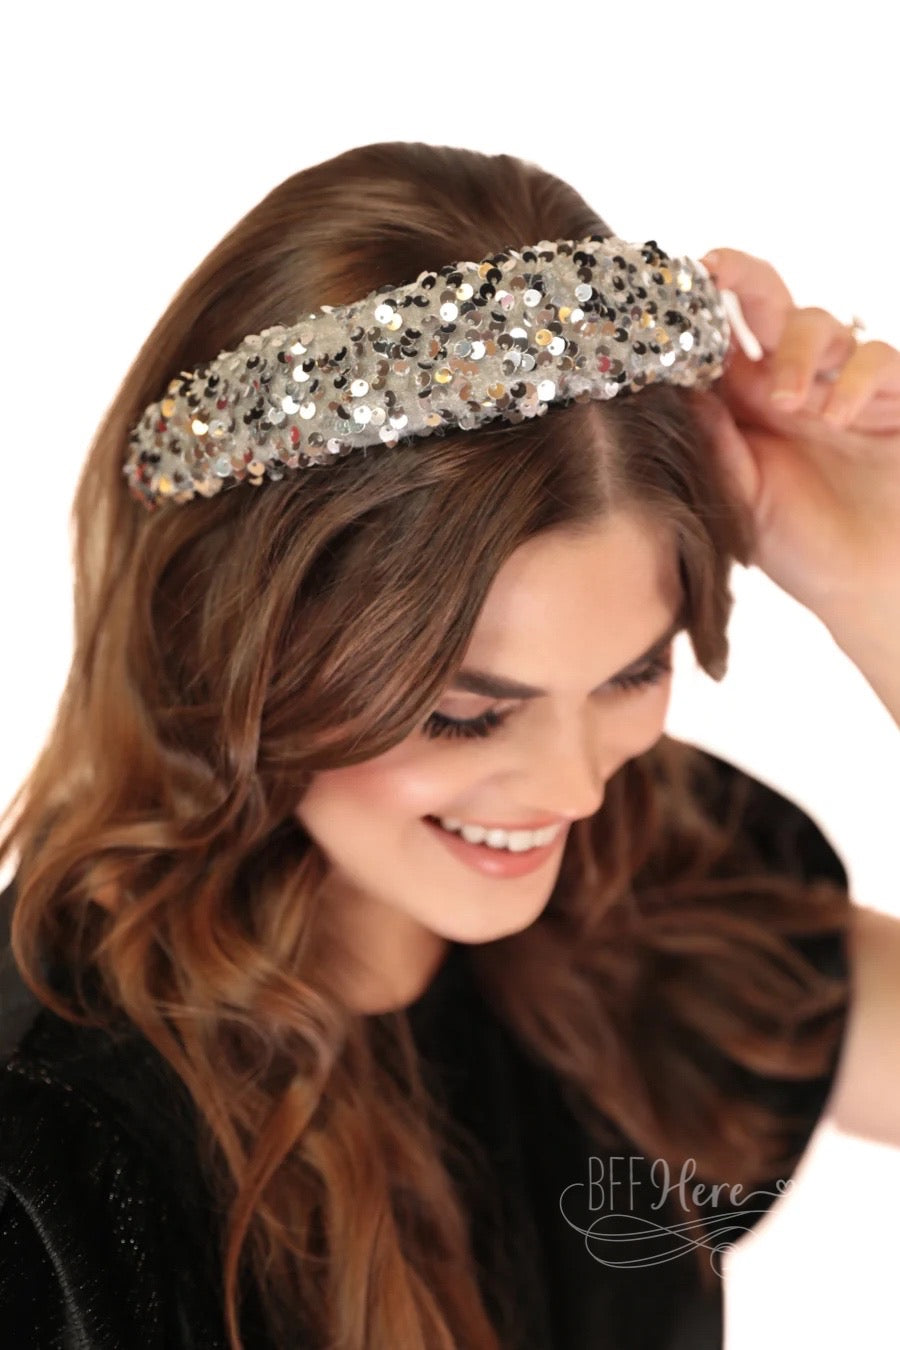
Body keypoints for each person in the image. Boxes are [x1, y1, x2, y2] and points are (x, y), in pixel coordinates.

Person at [0, 141, 899, 1350]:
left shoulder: (654, 892)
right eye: (465, 712)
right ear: (234, 647)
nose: (573, 786)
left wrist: (881, 587)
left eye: (632, 675)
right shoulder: (50, 1163)